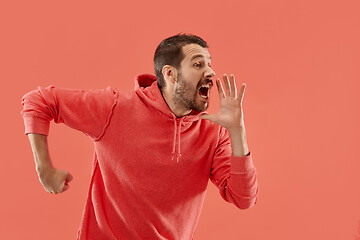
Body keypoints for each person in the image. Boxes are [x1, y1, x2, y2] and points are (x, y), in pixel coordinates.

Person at [21, 33, 259, 240]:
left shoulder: (213, 132)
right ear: (170, 74)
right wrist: (44, 169)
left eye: (209, 64)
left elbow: (243, 198)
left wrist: (237, 131)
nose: (210, 72)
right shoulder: (115, 108)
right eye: (198, 64)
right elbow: (38, 101)